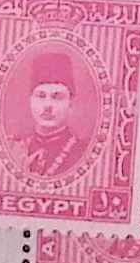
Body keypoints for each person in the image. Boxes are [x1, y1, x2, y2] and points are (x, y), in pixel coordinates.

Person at [19, 48, 88, 180]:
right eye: (41, 96)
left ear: (71, 104)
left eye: (57, 97)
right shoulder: (15, 148)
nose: (47, 106)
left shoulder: (83, 153)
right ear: (30, 100)